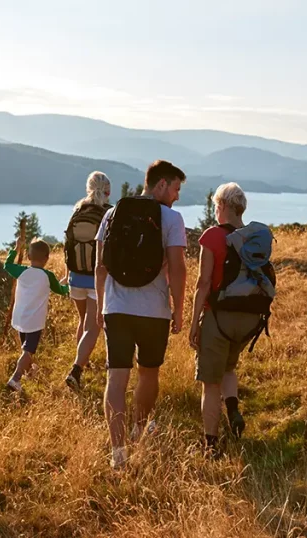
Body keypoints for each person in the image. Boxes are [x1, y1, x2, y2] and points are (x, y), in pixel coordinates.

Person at [96, 160, 187, 470]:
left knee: (116, 377)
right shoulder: (171, 219)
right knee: (148, 373)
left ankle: (118, 453)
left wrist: (100, 307)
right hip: (154, 311)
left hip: (117, 309)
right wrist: (179, 309)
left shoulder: (112, 213)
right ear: (160, 185)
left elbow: (101, 266)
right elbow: (177, 267)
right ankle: (138, 430)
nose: (176, 196)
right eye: (175, 188)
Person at [188, 182, 261, 456]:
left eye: (217, 205)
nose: (216, 210)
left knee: (210, 382)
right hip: (249, 319)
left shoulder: (212, 237)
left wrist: (195, 323)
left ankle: (211, 444)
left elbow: (203, 283)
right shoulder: (254, 237)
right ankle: (232, 410)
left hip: (218, 318)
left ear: (225, 207)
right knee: (229, 367)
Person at [63, 171, 112, 391]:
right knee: (93, 327)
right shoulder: (108, 213)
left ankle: (83, 360)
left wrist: (67, 274)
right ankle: (76, 369)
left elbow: (67, 244)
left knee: (83, 320)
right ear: (108, 191)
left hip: (75, 277)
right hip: (95, 278)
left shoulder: (78, 210)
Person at [4, 235, 69, 392]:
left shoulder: (21, 272)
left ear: (28, 256)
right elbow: (61, 291)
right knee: (28, 350)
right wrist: (68, 283)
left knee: (26, 349)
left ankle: (29, 371)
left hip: (20, 317)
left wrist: (16, 248)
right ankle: (15, 378)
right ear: (47, 258)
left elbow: (7, 265)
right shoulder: (48, 276)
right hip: (35, 322)